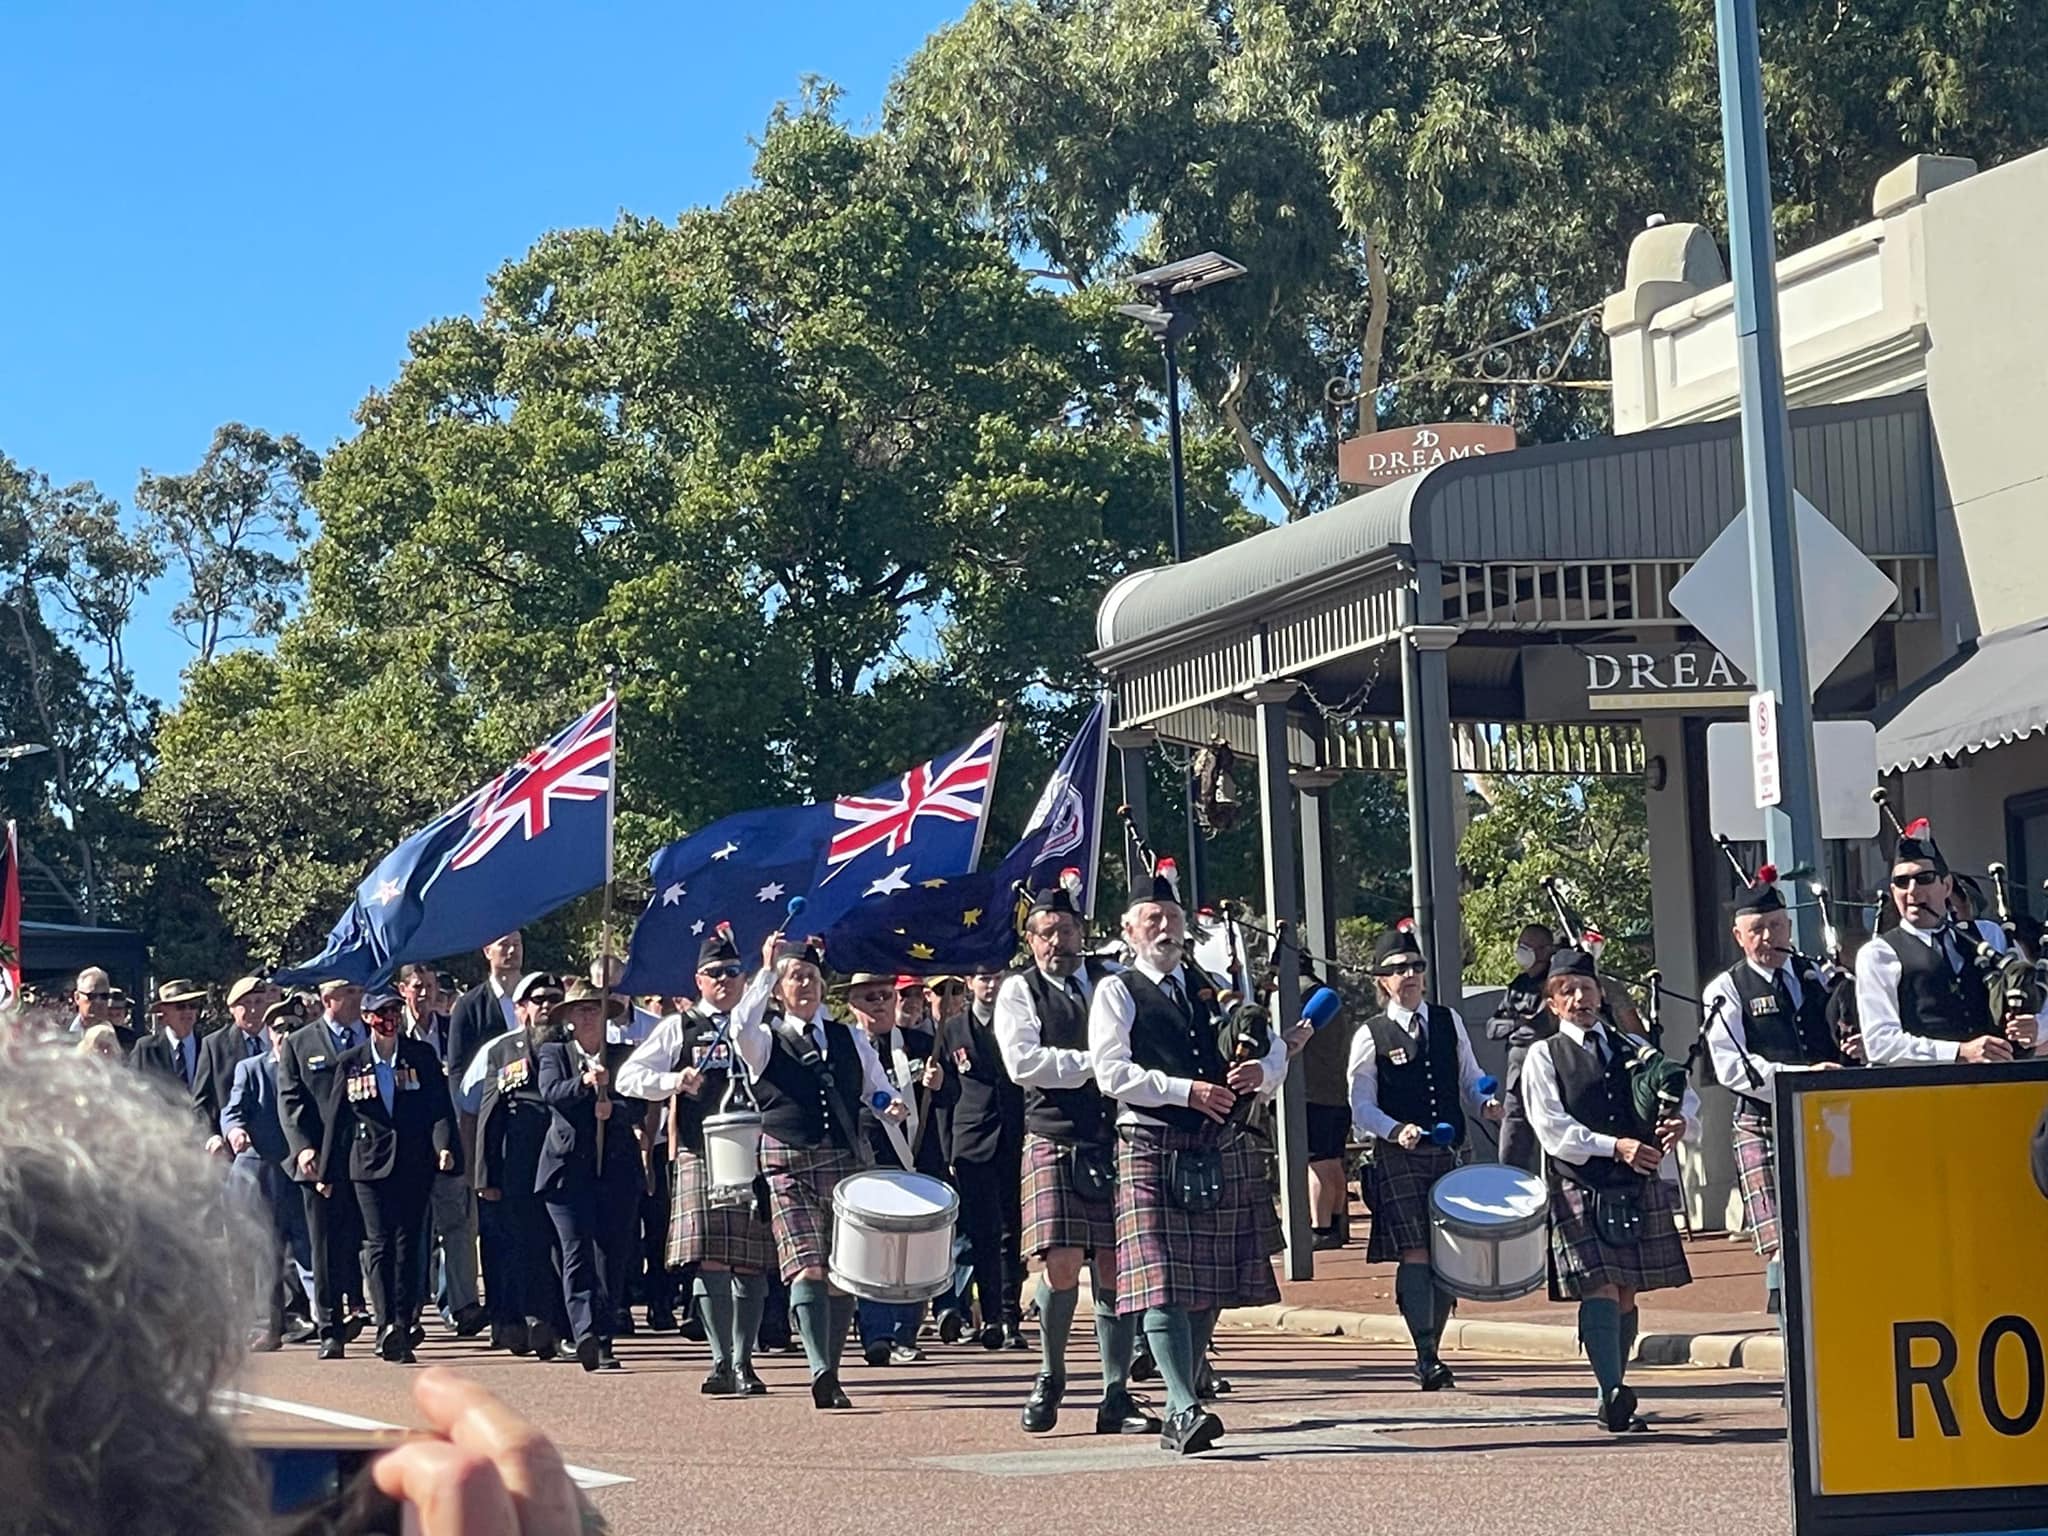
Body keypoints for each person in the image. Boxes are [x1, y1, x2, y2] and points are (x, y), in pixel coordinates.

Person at [1089, 860, 1287, 1456]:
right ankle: (1180, 1406)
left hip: (1215, 1144)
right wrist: (1185, 1090)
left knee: (1209, 1285)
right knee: (1163, 1282)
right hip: (1150, 1140)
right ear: (1129, 930)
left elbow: (1271, 1048)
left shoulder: (1210, 986)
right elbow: (1110, 1072)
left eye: (1172, 917)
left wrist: (1264, 1071)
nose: (1165, 927)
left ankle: (1187, 1389)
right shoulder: (1117, 989)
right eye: (1152, 918)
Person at [995, 876, 1155, 1438]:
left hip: (1113, 1137)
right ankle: (1051, 1375)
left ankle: (1116, 1394)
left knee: (1115, 1266)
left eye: (1065, 930)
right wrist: (1100, 1063)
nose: (1055, 942)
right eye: (1044, 933)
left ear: (1081, 932)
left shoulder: (1112, 983)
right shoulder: (1019, 991)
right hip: (1052, 1137)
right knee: (1061, 1265)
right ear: (1031, 941)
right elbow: (1023, 1063)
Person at [1521, 946, 1698, 1433]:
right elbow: (1551, 1127)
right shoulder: (1544, 1055)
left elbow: (1683, 1093)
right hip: (1582, 1182)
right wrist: (1613, 1146)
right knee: (1599, 1286)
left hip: (1634, 1182)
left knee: (1624, 1291)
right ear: (1552, 1003)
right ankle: (1611, 1390)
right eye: (1567, 991)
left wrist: (1682, 1123)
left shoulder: (1631, 1047)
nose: (1579, 998)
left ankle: (1613, 1391)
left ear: (1600, 992)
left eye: (1586, 988)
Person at [730, 933, 906, 1410]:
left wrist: (892, 1106)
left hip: (845, 1161)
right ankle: (819, 1369)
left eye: (810, 976)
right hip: (787, 1159)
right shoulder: (762, 1039)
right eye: (794, 978)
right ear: (780, 989)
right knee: (806, 1265)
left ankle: (833, 1368)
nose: (803, 984)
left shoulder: (849, 1037)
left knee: (842, 1271)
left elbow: (877, 1088)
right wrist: (765, 970)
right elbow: (738, 1025)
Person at [617, 927, 775, 1396]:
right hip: (697, 1148)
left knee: (750, 1261)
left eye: (732, 972)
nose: (724, 980)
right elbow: (629, 1078)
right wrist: (672, 1080)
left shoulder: (759, 1027)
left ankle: (746, 1362)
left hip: (753, 1151)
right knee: (709, 1258)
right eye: (714, 973)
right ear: (698, 980)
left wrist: (768, 969)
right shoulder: (678, 1028)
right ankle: (720, 1361)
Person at [1348, 923, 1502, 1389]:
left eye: (1415, 966)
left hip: (1451, 1150)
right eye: (1398, 970)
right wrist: (1395, 1130)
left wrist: (1486, 1102)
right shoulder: (1369, 1034)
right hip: (1401, 1157)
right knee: (1415, 1251)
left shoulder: (1447, 1020)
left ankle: (1434, 1343)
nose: (1410, 975)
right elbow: (1361, 1105)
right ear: (1382, 980)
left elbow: (1470, 1077)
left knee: (1447, 1253)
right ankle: (1426, 1352)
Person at [1702, 868, 1849, 1313]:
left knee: (1835, 1227)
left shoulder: (1818, 977)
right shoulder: (1726, 990)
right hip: (1763, 1121)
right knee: (1782, 1238)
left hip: (1830, 1119)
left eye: (1777, 926)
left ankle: (1835, 1312)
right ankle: (1791, 1325)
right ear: (1739, 936)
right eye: (1758, 929)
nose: (1769, 936)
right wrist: (1796, 1081)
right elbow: (1732, 1067)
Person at [323, 990, 459, 1364]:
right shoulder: (351, 1062)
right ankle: (386, 1325)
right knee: (380, 1243)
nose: (390, 1018)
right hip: (367, 1165)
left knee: (409, 1244)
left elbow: (439, 1108)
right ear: (366, 1017)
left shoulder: (421, 1056)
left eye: (394, 1011)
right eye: (382, 1012)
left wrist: (444, 1145)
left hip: (413, 1163)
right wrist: (327, 1172)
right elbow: (338, 1121)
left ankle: (404, 1319)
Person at [1856, 817, 2036, 1065]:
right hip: (1927, 1093)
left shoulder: (1989, 935)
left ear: (1947, 885)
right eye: (1901, 882)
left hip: (2000, 1085)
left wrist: (2036, 1027)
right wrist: (1958, 1052)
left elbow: (2036, 992)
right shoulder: (1879, 954)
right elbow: (1880, 1042)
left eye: (1924, 878)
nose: (1912, 890)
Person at [533, 979, 640, 1372]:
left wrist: (616, 1108)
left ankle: (606, 1333)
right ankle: (584, 1334)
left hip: (615, 1169)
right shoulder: (554, 1053)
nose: (588, 1015)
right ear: (569, 1019)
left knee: (611, 1255)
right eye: (580, 1010)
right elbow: (551, 1093)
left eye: (594, 1008)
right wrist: (584, 1084)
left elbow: (640, 1102)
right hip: (567, 1171)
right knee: (576, 1252)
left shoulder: (625, 1055)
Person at [468, 971, 571, 1360]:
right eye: (538, 1000)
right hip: (519, 1164)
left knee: (564, 1245)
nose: (547, 1006)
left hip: (564, 1160)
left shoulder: (575, 1046)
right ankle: (531, 1320)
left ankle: (563, 1325)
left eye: (553, 998)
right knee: (523, 1246)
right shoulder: (504, 1050)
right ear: (522, 1009)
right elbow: (488, 1114)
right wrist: (485, 1174)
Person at [847, 969, 945, 1367]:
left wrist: (941, 1084)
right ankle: (877, 1333)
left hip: (919, 1158)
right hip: (870, 1158)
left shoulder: (923, 1043)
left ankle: (907, 1332)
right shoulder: (844, 1046)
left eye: (886, 995)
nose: (881, 1003)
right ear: (853, 1003)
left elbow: (952, 1101)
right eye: (871, 997)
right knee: (875, 1253)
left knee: (916, 1252)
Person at [276, 979, 371, 1359]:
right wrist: (302, 1149)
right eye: (348, 992)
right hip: (321, 1161)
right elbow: (291, 1101)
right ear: (328, 999)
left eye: (358, 991)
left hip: (369, 1156)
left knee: (373, 1239)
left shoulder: (373, 1037)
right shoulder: (300, 1043)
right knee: (326, 1244)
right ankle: (330, 1328)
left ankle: (387, 1320)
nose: (357, 998)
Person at [939, 961, 1028, 1349]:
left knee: (1014, 1231)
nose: (990, 985)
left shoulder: (1021, 1022)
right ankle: (989, 1315)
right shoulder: (952, 1028)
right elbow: (943, 1096)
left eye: (997, 977)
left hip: (1015, 1134)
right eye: (982, 978)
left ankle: (1009, 1317)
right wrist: (946, 1151)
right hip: (971, 1140)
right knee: (982, 1233)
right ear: (969, 983)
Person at [223, 996, 319, 1350]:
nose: (286, 1035)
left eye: (294, 1028)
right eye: (279, 1029)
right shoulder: (251, 1069)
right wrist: (235, 1131)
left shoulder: (311, 1066)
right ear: (268, 1033)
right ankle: (268, 1327)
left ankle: (326, 1320)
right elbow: (233, 1110)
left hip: (302, 1170)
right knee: (265, 1252)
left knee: (310, 1248)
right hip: (261, 1171)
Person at [399, 962, 485, 1338]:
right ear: (403, 989)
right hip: (405, 1149)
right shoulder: (388, 1030)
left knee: (458, 1227)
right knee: (413, 1232)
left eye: (431, 986)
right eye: (418, 986)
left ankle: (462, 1306)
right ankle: (410, 1308)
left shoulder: (452, 1032)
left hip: (453, 1143)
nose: (425, 993)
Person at [1296, 960, 1360, 1248]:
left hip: (1310, 1094)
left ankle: (1320, 1230)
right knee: (1333, 1162)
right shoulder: (1328, 996)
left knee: (1318, 1164)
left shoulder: (1296, 996)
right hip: (1336, 1092)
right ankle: (1332, 1226)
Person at [1486, 923, 1557, 1173]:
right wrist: (1519, 1022)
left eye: (1529, 946)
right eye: (1521, 945)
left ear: (1546, 950)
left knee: (1557, 1137)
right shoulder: (1518, 985)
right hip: (1517, 1076)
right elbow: (1492, 1028)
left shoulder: (1558, 980)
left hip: (1554, 1075)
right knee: (1513, 1140)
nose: (1522, 951)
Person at [196, 976, 274, 1159]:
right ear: (232, 1009)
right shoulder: (215, 1045)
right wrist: (212, 1137)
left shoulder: (282, 1038)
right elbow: (201, 1103)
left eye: (259, 1002)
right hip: (234, 1152)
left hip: (279, 1152)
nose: (254, 1009)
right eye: (245, 1004)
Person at [132, 978, 212, 1134]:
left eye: (192, 1006)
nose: (188, 1012)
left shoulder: (208, 1046)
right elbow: (132, 1092)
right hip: (161, 1137)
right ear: (164, 1013)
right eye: (181, 1007)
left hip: (203, 1137)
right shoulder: (146, 1049)